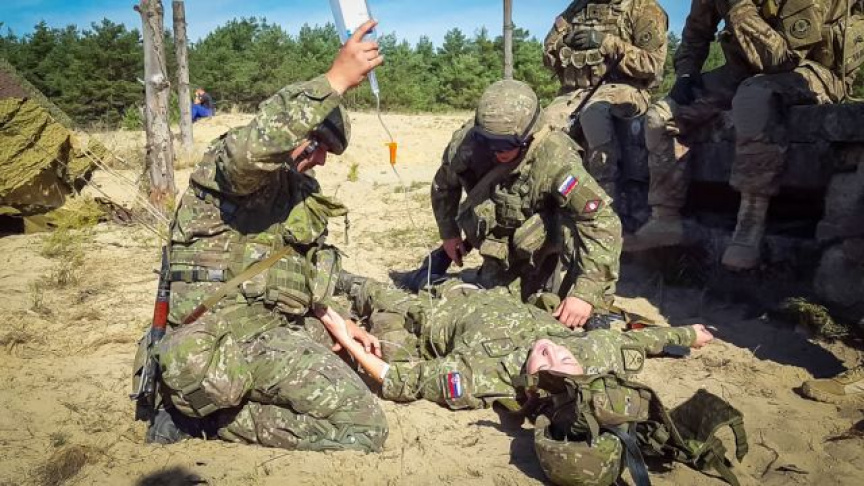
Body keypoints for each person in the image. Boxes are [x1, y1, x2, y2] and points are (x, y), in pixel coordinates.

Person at [144, 20, 389, 452]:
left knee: (360, 353)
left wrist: (339, 322)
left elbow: (299, 271)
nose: (321, 161)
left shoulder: (296, 191)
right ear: (295, 133)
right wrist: (334, 81)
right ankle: (202, 418)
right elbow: (252, 152)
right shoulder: (232, 168)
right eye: (317, 147)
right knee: (364, 425)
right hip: (227, 333)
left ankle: (217, 405)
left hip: (271, 325)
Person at [627, 0, 863, 270]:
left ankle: (750, 222)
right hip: (744, 71)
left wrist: (738, 6)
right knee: (661, 115)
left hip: (811, 71)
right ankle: (665, 217)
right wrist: (686, 75)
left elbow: (779, 61)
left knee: (753, 97)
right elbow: (695, 33)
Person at [321, 277, 714, 410]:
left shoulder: (483, 378)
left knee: (369, 292)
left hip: (430, 314)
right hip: (485, 291)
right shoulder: (593, 354)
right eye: (564, 358)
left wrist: (345, 337)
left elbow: (398, 381)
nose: (551, 349)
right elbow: (642, 341)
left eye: (546, 363)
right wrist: (688, 335)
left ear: (529, 384)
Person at [430, 79, 622, 329]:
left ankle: (595, 305)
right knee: (495, 310)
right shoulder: (467, 144)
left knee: (561, 295)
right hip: (500, 241)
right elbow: (443, 185)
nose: (496, 151)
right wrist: (449, 234)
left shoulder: (555, 157)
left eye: (506, 144)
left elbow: (602, 222)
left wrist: (586, 292)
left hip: (542, 239)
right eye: (488, 141)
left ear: (529, 134)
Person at [542, 0, 668, 206]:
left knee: (594, 115)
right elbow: (548, 56)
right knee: (543, 125)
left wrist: (606, 42)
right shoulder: (576, 9)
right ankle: (550, 198)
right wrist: (563, 44)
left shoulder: (643, 8)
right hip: (575, 93)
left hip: (625, 90)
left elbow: (652, 64)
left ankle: (606, 197)